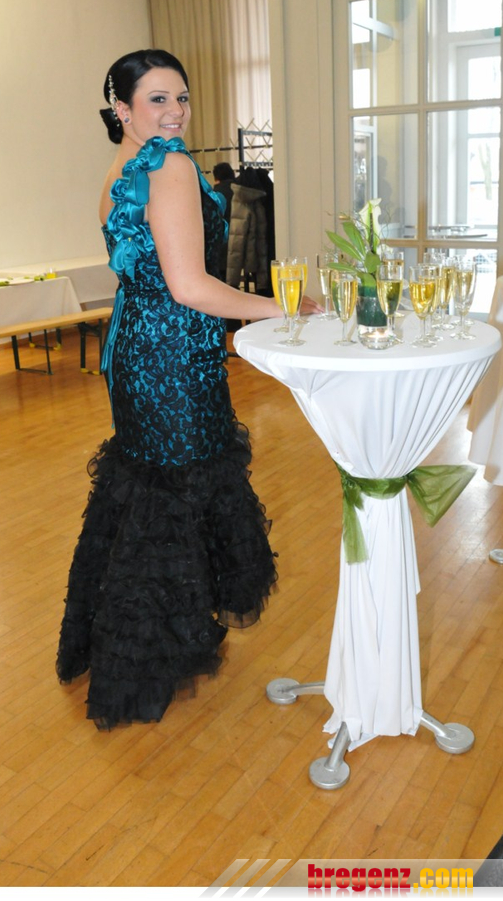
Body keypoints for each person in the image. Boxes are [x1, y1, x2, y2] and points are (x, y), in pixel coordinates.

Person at [56, 49, 320, 729]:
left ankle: (133, 644)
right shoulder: (169, 166)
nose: (176, 112)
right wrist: (284, 306)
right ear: (122, 109)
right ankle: (149, 661)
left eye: (182, 97)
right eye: (157, 99)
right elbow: (190, 287)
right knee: (175, 497)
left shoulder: (122, 168)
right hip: (174, 357)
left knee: (148, 491)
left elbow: (147, 275)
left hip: (136, 350)